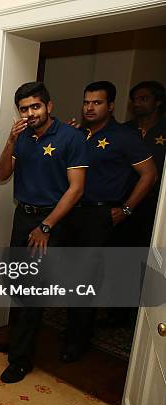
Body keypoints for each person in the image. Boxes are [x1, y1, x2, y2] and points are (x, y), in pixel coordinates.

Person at [0, 82, 87, 383]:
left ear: (49, 106)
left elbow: (76, 188)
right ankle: (17, 340)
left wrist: (47, 226)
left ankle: (21, 361)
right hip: (23, 216)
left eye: (35, 106)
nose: (30, 113)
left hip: (51, 221)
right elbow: (2, 174)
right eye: (24, 109)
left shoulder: (71, 137)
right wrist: (10, 140)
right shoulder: (22, 137)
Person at [63, 81, 156, 362]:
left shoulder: (124, 136)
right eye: (87, 102)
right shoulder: (78, 134)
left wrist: (126, 209)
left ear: (111, 106)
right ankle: (69, 332)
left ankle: (78, 340)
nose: (90, 107)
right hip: (71, 212)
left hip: (100, 215)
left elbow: (149, 175)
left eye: (97, 102)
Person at [123, 81, 165, 246]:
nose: (137, 103)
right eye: (135, 99)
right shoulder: (125, 129)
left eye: (144, 98)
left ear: (158, 102)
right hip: (123, 200)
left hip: (155, 205)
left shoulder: (164, 129)